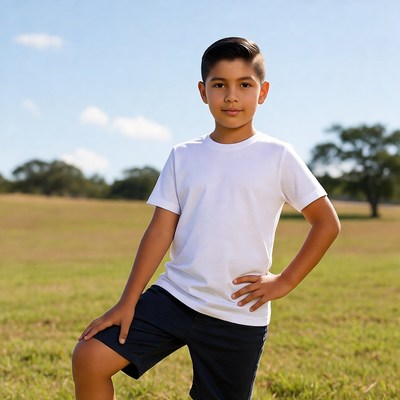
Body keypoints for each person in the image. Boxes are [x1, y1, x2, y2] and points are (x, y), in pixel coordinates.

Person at [72, 37, 341, 400]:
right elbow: (160, 230)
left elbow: (326, 222)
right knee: (89, 357)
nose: (232, 96)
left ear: (262, 92)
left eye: (244, 85)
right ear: (203, 91)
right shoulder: (183, 156)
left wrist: (284, 281)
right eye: (220, 85)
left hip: (238, 311)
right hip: (175, 296)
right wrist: (127, 301)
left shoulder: (278, 156)